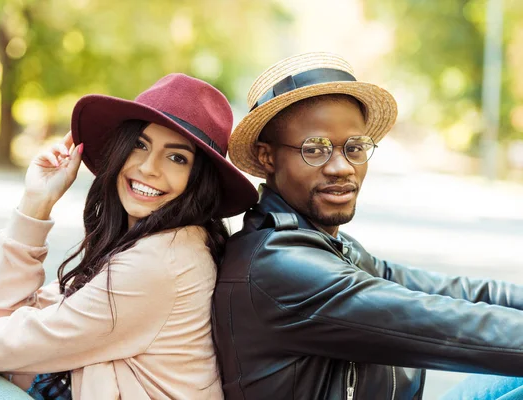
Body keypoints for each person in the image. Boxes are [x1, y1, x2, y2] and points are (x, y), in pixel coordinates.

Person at [0, 73, 258, 399]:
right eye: (140, 145)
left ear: (198, 180)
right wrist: (35, 204)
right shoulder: (146, 245)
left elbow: (21, 341)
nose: (148, 167)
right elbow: (0, 325)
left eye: (176, 157)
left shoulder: (162, 262)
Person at [212, 52, 523, 400]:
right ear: (268, 156)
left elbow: (450, 293)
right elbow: (443, 324)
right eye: (315, 150)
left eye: (355, 147)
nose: (342, 167)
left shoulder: (325, 244)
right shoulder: (277, 266)